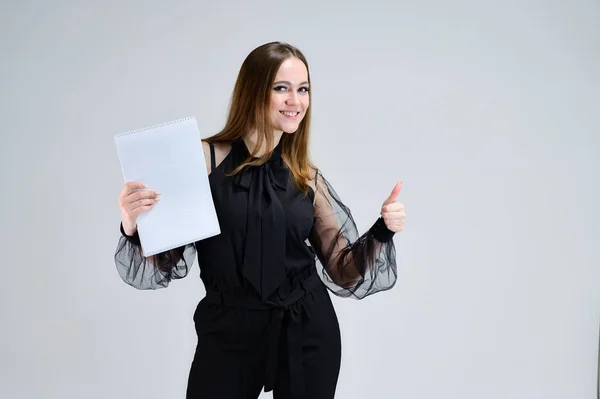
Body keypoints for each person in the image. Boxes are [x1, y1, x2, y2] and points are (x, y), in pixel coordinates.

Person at [114, 41, 406, 399]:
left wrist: (383, 230)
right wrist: (133, 226)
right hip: (229, 333)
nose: (294, 101)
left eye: (303, 90)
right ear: (254, 91)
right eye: (281, 88)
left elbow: (343, 270)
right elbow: (162, 264)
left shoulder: (304, 175)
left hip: (306, 329)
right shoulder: (202, 160)